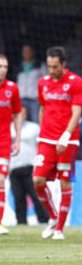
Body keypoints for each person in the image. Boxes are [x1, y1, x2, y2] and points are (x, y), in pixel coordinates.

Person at [33, 46, 82, 240]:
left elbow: (77, 111)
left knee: (64, 181)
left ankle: (60, 229)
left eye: (55, 67)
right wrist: (42, 131)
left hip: (67, 140)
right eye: (49, 66)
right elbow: (42, 108)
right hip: (46, 139)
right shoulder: (43, 82)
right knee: (37, 180)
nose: (52, 70)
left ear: (63, 64)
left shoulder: (75, 82)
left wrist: (66, 135)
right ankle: (53, 217)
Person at [10, 107, 49, 224]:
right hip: (14, 168)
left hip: (30, 168)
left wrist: (39, 164)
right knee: (18, 197)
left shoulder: (33, 128)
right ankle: (21, 222)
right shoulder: (7, 128)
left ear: (26, 115)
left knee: (36, 196)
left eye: (23, 113)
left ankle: (44, 220)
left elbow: (40, 146)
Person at [0, 54, 23, 234]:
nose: (3, 70)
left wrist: (18, 137)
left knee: (1, 180)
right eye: (0, 66)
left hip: (4, 141)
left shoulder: (12, 88)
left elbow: (17, 113)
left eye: (5, 67)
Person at [14, 43, 47, 123]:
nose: (26, 53)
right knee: (19, 121)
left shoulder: (39, 65)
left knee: (36, 120)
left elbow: (46, 80)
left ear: (32, 52)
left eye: (28, 51)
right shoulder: (18, 67)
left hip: (34, 100)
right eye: (24, 51)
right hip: (21, 99)